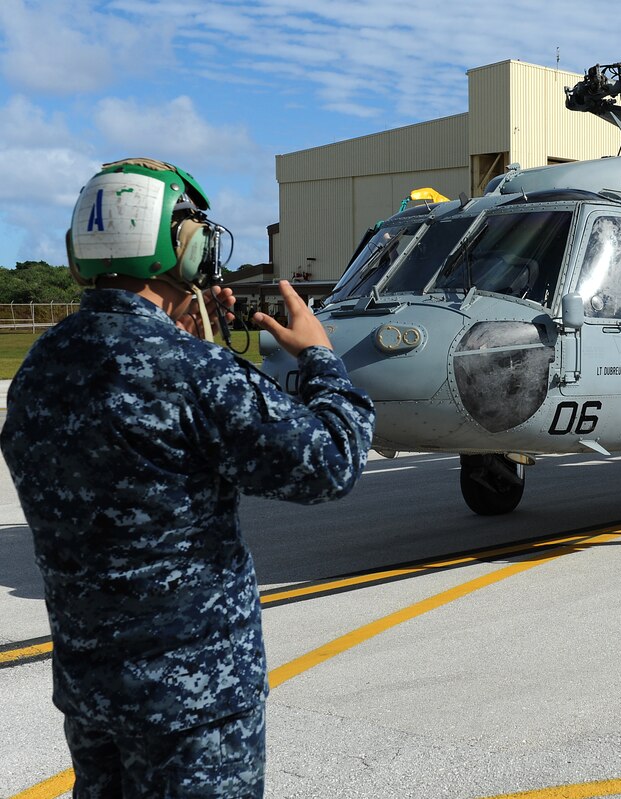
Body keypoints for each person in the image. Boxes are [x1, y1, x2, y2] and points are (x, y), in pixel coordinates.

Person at [0, 158, 375, 796]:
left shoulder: (41, 366)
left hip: (92, 692)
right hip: (193, 702)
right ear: (182, 245)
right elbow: (330, 462)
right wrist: (319, 356)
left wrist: (194, 344)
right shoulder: (194, 372)